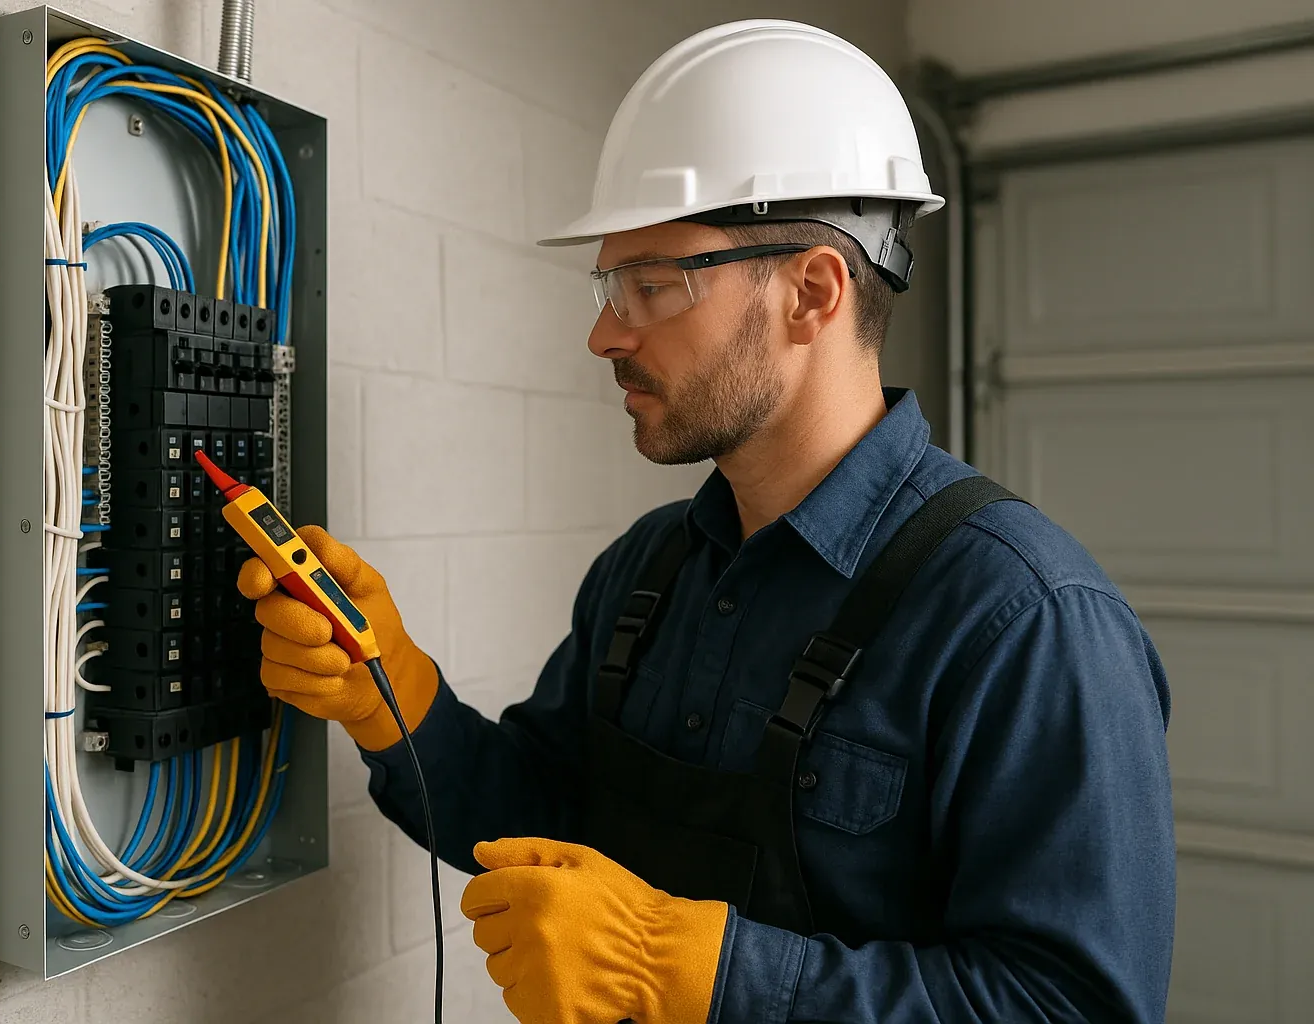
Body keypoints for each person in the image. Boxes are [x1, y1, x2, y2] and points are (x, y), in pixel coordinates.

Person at [236, 19, 1176, 1024]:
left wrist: (685, 966)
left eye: (653, 284)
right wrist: (396, 696)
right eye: (610, 285)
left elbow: (1072, 1004)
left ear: (813, 291)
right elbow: (547, 820)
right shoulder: (646, 572)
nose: (605, 332)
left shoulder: (1024, 619)